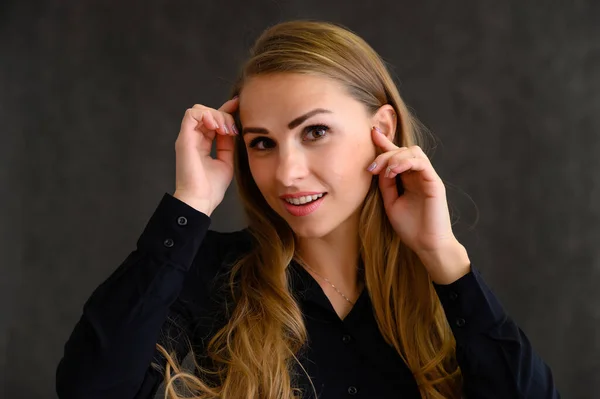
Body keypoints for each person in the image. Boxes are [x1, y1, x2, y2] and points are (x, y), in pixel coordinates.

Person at [56, 20, 560, 399]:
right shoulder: (213, 275)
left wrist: (443, 257)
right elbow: (91, 389)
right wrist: (190, 204)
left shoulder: (440, 287)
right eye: (262, 143)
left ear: (380, 128)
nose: (287, 172)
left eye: (314, 132)